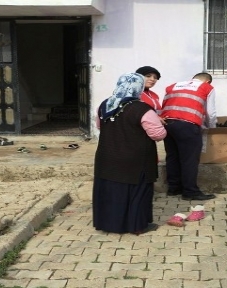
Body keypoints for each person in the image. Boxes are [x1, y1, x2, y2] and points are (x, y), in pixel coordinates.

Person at [93, 72, 167, 235]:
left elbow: (99, 126)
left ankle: (109, 224)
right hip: (135, 160)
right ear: (139, 88)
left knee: (110, 191)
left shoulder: (105, 105)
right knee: (136, 193)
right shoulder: (142, 109)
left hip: (107, 157)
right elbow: (158, 134)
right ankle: (136, 226)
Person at [160, 72, 217, 201]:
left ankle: (174, 188)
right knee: (189, 159)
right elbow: (210, 112)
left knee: (172, 156)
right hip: (188, 125)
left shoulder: (173, 86)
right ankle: (190, 191)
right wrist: (211, 127)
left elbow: (164, 105)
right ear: (207, 81)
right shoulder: (207, 87)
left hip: (168, 123)